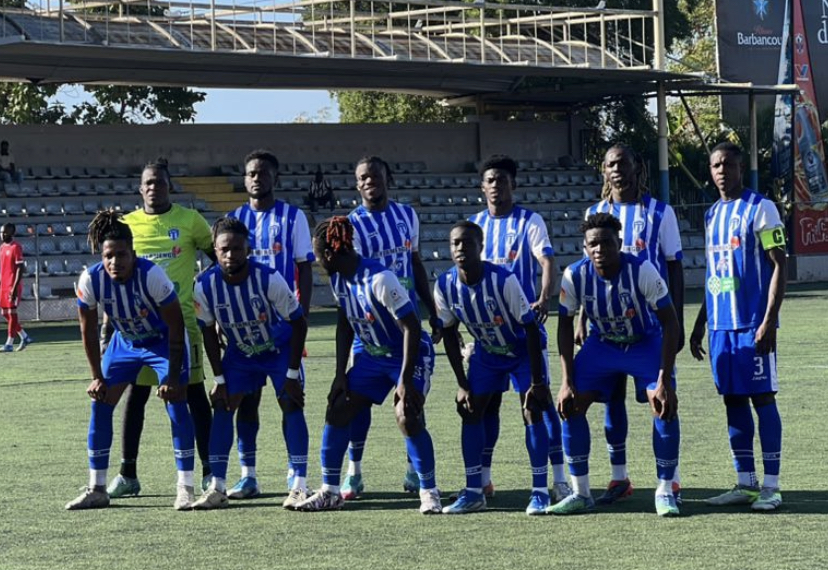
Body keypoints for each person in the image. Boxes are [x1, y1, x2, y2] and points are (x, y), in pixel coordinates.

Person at [295, 216, 440, 514]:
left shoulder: (380, 279)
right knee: (338, 406)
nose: (317, 261)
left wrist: (405, 380)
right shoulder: (339, 279)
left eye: (318, 255)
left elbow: (412, 327)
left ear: (331, 254)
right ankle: (330, 491)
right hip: (372, 357)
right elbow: (345, 325)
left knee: (407, 414)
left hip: (408, 354)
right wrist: (339, 376)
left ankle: (429, 491)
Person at [551, 212, 681, 517]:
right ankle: (581, 492)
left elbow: (670, 323)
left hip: (644, 342)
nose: (599, 250)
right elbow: (564, 326)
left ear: (619, 243)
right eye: (592, 245)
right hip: (603, 344)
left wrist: (664, 378)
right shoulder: (574, 275)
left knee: (662, 403)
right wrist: (566, 381)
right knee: (569, 405)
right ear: (585, 247)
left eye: (606, 243)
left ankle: (665, 490)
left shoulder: (642, 270)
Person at [66, 210, 195, 511]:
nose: (115, 262)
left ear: (133, 254)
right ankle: (97, 488)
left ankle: (185, 487)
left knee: (176, 404)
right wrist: (97, 375)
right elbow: (87, 330)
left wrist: (173, 376)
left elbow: (176, 326)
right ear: (102, 255)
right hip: (124, 343)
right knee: (100, 402)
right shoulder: (91, 279)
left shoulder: (152, 275)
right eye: (109, 255)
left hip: (163, 342)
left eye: (122, 255)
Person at [579, 144, 685, 505]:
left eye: (624, 162)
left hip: (650, 325)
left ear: (637, 167)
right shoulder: (596, 212)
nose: (617, 170)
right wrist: (581, 317)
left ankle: (670, 481)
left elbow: (673, 264)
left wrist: (678, 320)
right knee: (611, 399)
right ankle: (619, 476)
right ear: (604, 172)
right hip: (606, 326)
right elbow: (586, 275)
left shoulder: (660, 212)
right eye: (610, 164)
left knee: (662, 399)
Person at [106, 159, 215, 498]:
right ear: (140, 189)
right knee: (135, 398)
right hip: (138, 331)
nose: (154, 188)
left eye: (161, 182)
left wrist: (209, 302)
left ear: (170, 186)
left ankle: (212, 470)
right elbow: (114, 274)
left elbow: (220, 259)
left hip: (182, 328)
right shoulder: (128, 224)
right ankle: (128, 473)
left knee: (194, 395)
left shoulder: (190, 221)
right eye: (149, 183)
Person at [689, 141, 787, 512]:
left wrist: (769, 321)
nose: (720, 171)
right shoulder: (713, 213)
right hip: (721, 329)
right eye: (715, 165)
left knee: (763, 399)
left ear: (740, 168)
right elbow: (717, 276)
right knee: (733, 401)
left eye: (727, 164)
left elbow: (780, 264)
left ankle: (772, 487)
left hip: (752, 324)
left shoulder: (760, 209)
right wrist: (700, 323)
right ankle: (745, 483)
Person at [340, 156, 443, 500]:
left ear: (388, 178)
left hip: (406, 325)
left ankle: (415, 468)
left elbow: (414, 262)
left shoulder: (407, 215)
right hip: (368, 330)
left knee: (411, 399)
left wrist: (433, 309)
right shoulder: (351, 225)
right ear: (357, 185)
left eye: (376, 176)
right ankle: (354, 472)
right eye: (363, 177)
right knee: (357, 401)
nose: (370, 181)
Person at [468, 154, 569, 501]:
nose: (497, 186)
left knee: (536, 402)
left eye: (503, 180)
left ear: (514, 184)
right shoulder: (475, 226)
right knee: (486, 406)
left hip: (523, 333)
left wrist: (544, 296)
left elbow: (546, 259)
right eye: (491, 180)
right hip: (488, 337)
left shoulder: (529, 220)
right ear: (483, 187)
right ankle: (483, 478)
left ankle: (558, 479)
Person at [435, 221, 554, 515]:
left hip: (521, 350)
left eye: (467, 243)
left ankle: (540, 491)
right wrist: (462, 384)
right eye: (455, 243)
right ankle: (474, 490)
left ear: (481, 247)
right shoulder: (445, 285)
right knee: (471, 409)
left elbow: (529, 330)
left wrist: (536, 383)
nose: (461, 248)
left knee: (531, 410)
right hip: (487, 353)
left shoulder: (503, 280)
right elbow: (449, 335)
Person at [191, 217, 309, 510]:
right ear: (215, 251)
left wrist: (292, 373)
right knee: (223, 404)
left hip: (277, 349)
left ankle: (299, 485)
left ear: (249, 249)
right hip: (240, 353)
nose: (231, 255)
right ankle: (217, 486)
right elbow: (207, 331)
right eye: (224, 249)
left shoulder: (269, 278)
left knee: (290, 402)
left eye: (237, 248)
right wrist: (218, 380)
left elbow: (298, 323)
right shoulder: (204, 286)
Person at [226, 149, 314, 498]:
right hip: (244, 329)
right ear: (244, 178)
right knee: (246, 402)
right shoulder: (234, 217)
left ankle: (297, 477)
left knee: (290, 399)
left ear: (275, 178)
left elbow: (304, 267)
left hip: (282, 328)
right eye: (250, 173)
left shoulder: (294, 218)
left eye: (263, 173)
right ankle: (248, 475)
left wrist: (301, 317)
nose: (256, 178)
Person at [0, 223, 32, 351]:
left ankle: (9, 343)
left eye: (5, 232)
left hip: (12, 285)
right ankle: (24, 336)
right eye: (1, 232)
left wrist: (14, 287)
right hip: (3, 285)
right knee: (5, 313)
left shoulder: (16, 247)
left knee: (12, 312)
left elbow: (20, 268)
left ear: (12, 233)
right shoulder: (2, 247)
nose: (2, 234)